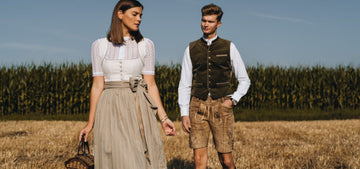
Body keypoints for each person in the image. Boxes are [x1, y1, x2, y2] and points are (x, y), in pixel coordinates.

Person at [79, 0, 176, 168]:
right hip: (108, 107)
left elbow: (151, 84)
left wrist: (164, 118)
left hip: (136, 106)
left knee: (137, 158)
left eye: (140, 15)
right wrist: (90, 123)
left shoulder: (146, 45)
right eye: (135, 14)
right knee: (111, 157)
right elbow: (97, 86)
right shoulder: (99, 45)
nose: (139, 19)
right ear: (120, 14)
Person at [178, 3, 251, 169]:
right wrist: (184, 113)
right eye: (203, 20)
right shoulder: (191, 48)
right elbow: (184, 83)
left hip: (222, 105)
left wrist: (233, 100)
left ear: (218, 24)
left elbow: (244, 79)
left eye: (210, 21)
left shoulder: (229, 47)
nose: (205, 24)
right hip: (197, 106)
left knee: (226, 160)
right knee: (198, 160)